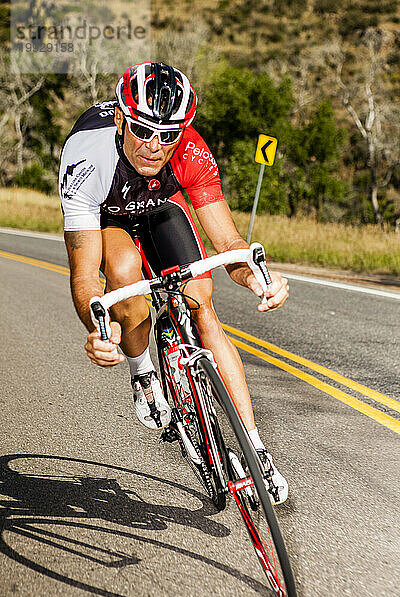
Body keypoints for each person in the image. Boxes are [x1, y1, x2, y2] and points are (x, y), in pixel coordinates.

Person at [59, 62, 290, 504]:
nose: (154, 145)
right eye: (144, 130)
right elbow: (86, 274)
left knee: (202, 302)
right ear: (124, 119)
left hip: (159, 205)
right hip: (106, 214)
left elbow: (228, 244)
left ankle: (256, 449)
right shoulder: (88, 157)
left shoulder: (191, 151)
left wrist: (260, 279)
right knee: (126, 279)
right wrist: (98, 329)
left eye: (168, 135)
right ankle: (142, 372)